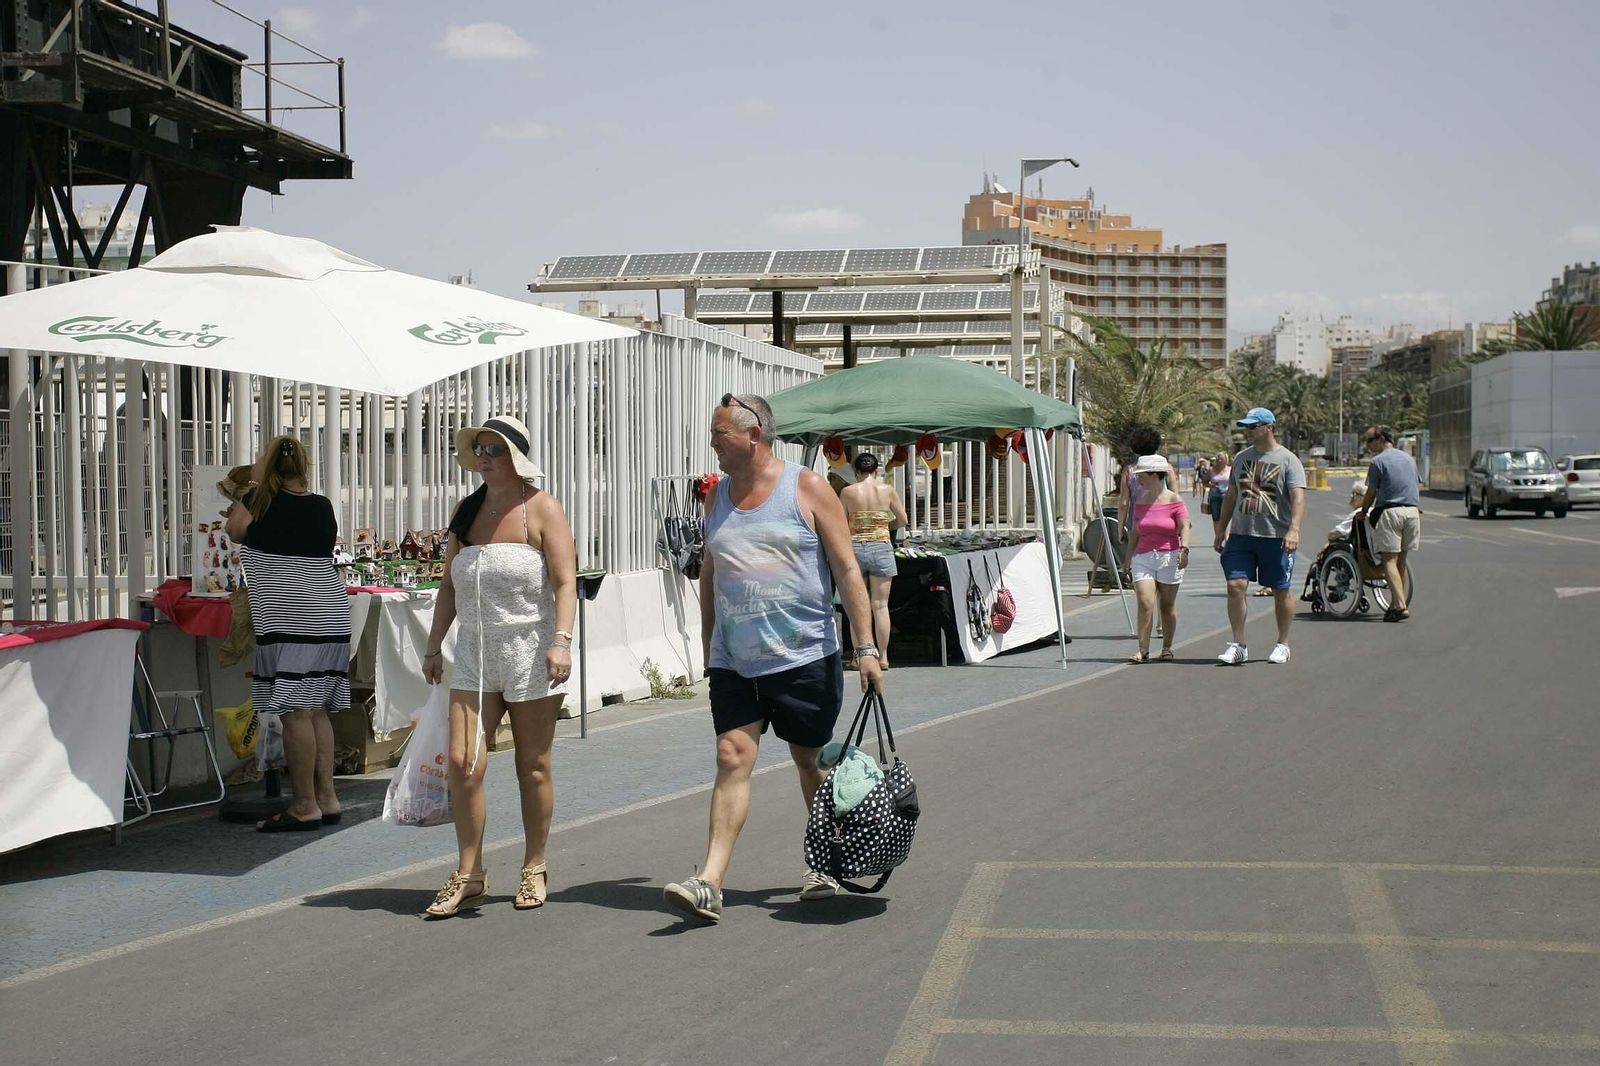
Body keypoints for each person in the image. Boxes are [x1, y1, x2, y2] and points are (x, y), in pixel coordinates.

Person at [663, 393, 885, 924]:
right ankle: (710, 882)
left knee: (808, 760)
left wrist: (867, 647)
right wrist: (709, 642)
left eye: (720, 434)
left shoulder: (805, 487)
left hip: (805, 653)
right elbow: (712, 572)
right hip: (736, 662)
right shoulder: (715, 498)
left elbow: (848, 570)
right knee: (731, 756)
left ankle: (825, 862)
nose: (713, 443)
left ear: (753, 434)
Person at [419, 415, 577, 918]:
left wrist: (561, 641)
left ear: (516, 456)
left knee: (532, 766)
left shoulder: (543, 509)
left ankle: (534, 863)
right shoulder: (466, 513)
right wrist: (432, 645)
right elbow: (448, 586)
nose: (484, 456)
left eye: (495, 448)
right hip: (473, 654)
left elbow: (566, 582)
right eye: (479, 448)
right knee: (464, 764)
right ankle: (470, 872)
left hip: (531, 653)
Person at [225, 435, 349, 832]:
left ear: (270, 465)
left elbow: (235, 531)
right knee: (316, 709)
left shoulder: (258, 501)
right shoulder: (322, 505)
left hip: (288, 613)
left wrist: (250, 490)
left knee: (295, 711)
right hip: (330, 609)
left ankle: (304, 804)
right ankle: (327, 799)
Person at [1213, 408, 1306, 665]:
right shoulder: (1242, 458)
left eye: (1253, 426)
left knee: (1280, 591)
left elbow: (1298, 498)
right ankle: (1238, 644)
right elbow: (1231, 495)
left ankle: (1282, 643)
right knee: (1235, 586)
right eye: (1246, 426)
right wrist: (1221, 528)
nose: (1248, 431)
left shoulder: (1289, 460)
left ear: (1269, 427)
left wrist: (1294, 530)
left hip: (1275, 536)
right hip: (1242, 535)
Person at [839, 452, 909, 669]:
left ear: (855, 471)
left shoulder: (848, 492)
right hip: (881, 547)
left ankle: (859, 656)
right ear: (876, 470)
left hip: (855, 549)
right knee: (880, 606)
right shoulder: (887, 490)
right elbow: (903, 519)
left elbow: (841, 523)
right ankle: (884, 657)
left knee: (855, 607)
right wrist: (882, 528)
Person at [1124, 455, 1191, 663]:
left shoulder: (1174, 500)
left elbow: (1185, 526)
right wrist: (1127, 558)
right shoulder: (1141, 502)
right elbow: (1136, 531)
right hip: (1143, 557)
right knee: (1145, 601)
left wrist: (1184, 549)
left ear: (1154, 475)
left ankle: (1167, 647)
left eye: (1141, 475)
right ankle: (1142, 650)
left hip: (1169, 556)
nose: (1138, 480)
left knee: (1167, 605)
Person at [1358, 425, 1421, 622]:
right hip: (1412, 512)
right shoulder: (1409, 459)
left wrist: (1363, 511)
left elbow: (1371, 492)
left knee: (1388, 560)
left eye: (1370, 441)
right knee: (1401, 560)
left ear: (1381, 439)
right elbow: (1414, 484)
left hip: (1390, 512)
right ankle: (1394, 605)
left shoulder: (1378, 461)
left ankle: (1401, 606)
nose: (1368, 445)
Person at [1207, 451, 1231, 539]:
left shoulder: (1230, 470)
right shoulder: (1211, 470)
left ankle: (1227, 537)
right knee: (1216, 517)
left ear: (1226, 460)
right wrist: (1211, 485)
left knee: (1227, 516)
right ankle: (1218, 537)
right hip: (1215, 495)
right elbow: (1205, 482)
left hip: (1227, 495)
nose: (1219, 460)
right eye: (1218, 459)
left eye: (1221, 459)